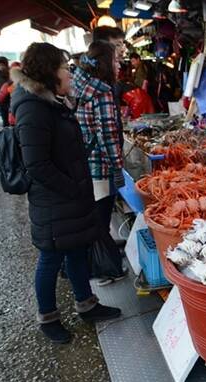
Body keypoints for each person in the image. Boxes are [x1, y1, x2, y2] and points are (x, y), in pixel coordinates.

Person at [11, 42, 121, 343]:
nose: (69, 73)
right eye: (63, 68)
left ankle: (86, 304)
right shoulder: (33, 108)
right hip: (55, 200)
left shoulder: (54, 101)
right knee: (50, 258)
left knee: (76, 249)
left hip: (69, 196)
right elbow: (37, 165)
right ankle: (47, 317)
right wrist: (73, 189)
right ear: (48, 73)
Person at [72, 41, 127, 284]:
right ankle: (101, 269)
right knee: (100, 217)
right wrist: (117, 167)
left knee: (94, 216)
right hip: (101, 164)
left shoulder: (79, 85)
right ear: (105, 64)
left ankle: (95, 262)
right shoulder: (102, 91)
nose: (118, 65)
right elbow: (108, 134)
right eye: (115, 60)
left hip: (85, 161)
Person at [0, 61, 21, 126]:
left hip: (11, 113)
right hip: (23, 115)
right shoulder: (28, 84)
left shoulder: (8, 85)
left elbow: (0, 98)